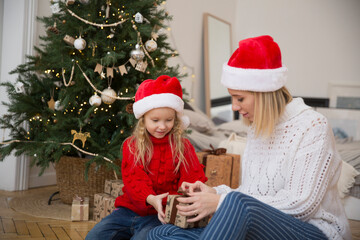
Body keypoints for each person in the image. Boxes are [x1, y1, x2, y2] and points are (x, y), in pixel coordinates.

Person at [147, 36, 351, 240]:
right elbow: (250, 193)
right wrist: (213, 191)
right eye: (232, 98)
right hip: (262, 232)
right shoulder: (258, 128)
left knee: (236, 202)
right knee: (161, 233)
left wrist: (220, 202)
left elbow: (300, 206)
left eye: (240, 98)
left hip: (313, 232)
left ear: (263, 93)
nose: (235, 107)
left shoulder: (313, 126)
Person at [86, 75, 207, 240]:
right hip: (128, 210)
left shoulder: (183, 146)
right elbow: (134, 180)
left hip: (159, 215)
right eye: (155, 120)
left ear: (176, 119)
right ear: (143, 120)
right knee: (95, 236)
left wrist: (187, 193)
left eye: (169, 120)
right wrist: (151, 199)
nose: (162, 126)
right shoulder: (132, 145)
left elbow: (192, 179)